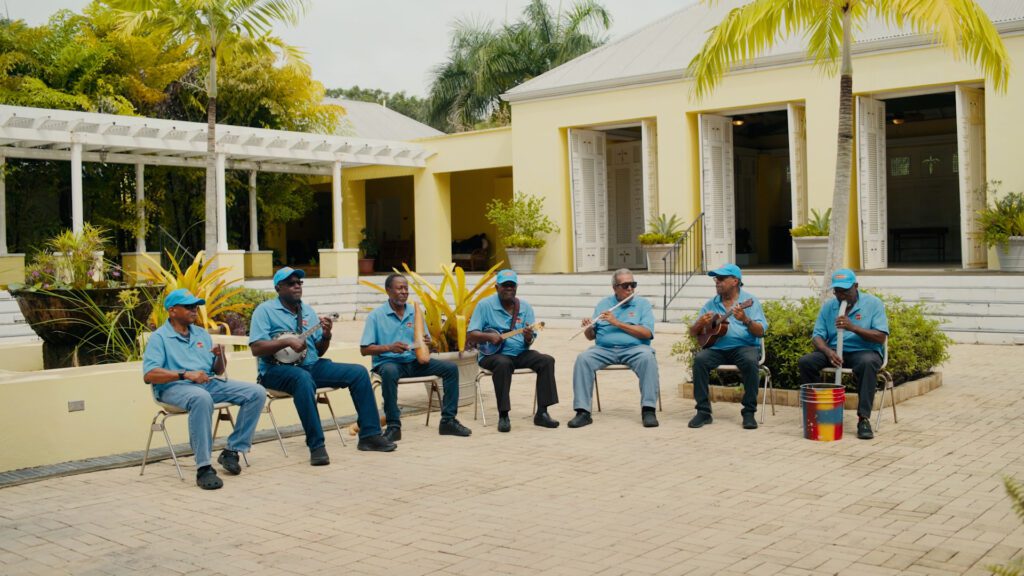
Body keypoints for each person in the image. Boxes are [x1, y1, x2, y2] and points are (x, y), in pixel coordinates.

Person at [250, 267, 395, 465]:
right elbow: (256, 348)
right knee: (303, 380)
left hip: (310, 365)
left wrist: (326, 335)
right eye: (291, 283)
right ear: (278, 287)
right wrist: (287, 342)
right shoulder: (265, 311)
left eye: (299, 283)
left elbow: (318, 351)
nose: (296, 287)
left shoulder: (307, 311)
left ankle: (369, 435)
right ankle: (317, 446)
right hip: (275, 371)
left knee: (358, 373)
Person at [143, 289, 266, 490]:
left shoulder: (201, 334)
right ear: (172, 311)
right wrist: (185, 374)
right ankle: (204, 467)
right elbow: (149, 375)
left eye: (196, 306)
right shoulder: (159, 338)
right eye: (189, 307)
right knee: (201, 398)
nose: (195, 310)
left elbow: (216, 370)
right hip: (173, 387)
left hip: (207, 383)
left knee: (257, 392)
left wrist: (220, 356)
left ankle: (232, 450)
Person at [360, 273, 471, 441]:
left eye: (406, 288)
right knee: (389, 372)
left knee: (450, 369)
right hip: (388, 363)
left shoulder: (414, 312)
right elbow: (364, 349)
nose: (404, 292)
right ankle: (393, 426)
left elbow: (426, 345)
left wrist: (429, 342)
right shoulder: (376, 316)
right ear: (388, 290)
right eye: (399, 288)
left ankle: (448, 421)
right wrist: (389, 347)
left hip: (413, 361)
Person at [798, 268, 889, 440]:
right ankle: (818, 411)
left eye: (845, 291)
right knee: (806, 362)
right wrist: (827, 351)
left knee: (867, 363)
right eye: (837, 291)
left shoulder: (873, 304)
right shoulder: (829, 307)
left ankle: (863, 419)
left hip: (863, 351)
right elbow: (817, 335)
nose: (841, 296)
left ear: (856, 286)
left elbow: (880, 337)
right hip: (833, 351)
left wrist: (852, 327)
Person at [467, 269, 559, 433]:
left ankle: (542, 412)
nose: (509, 289)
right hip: (492, 355)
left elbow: (530, 340)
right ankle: (503, 415)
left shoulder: (524, 307)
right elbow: (471, 334)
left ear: (516, 287)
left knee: (546, 360)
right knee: (503, 363)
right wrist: (489, 337)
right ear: (496, 287)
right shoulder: (484, 305)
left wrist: (528, 336)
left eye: (512, 286)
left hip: (520, 353)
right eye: (505, 286)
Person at [568, 269, 660, 428]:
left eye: (633, 284)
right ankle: (583, 412)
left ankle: (648, 409)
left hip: (635, 349)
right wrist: (588, 328)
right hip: (604, 349)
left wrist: (617, 322)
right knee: (583, 359)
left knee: (648, 358)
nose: (630, 289)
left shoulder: (642, 304)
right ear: (615, 288)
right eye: (625, 285)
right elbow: (591, 336)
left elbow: (647, 333)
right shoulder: (603, 304)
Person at [688, 263, 768, 430]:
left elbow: (760, 332)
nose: (717, 281)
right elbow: (694, 332)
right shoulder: (711, 304)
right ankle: (703, 412)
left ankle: (748, 412)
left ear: (735, 281)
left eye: (721, 278)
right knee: (700, 360)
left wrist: (745, 319)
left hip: (744, 347)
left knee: (749, 361)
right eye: (715, 278)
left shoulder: (749, 302)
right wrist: (699, 324)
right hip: (716, 349)